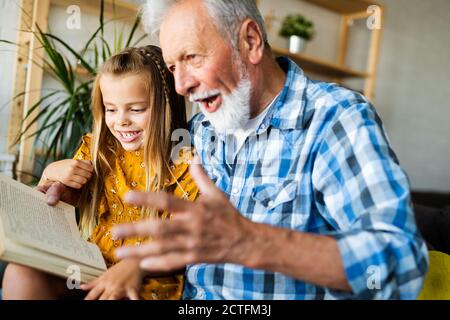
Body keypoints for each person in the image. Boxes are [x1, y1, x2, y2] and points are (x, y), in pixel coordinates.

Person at [45, 0, 428, 299]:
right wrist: (73, 184)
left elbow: (400, 261)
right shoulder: (198, 132)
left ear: (250, 41)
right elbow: (128, 164)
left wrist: (252, 242)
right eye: (173, 66)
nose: (180, 87)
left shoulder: (334, 119)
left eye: (192, 58)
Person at [2, 45, 198, 300]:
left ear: (166, 105)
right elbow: (60, 200)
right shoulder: (98, 149)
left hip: (146, 280)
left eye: (136, 109)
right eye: (111, 109)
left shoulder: (186, 165)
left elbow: (188, 241)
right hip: (93, 267)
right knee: (21, 273)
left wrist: (135, 265)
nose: (121, 121)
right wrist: (53, 178)